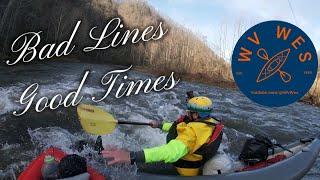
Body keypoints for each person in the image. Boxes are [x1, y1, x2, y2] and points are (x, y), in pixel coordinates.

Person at [102, 92, 224, 176]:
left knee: (131, 164)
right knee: (130, 155)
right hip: (190, 164)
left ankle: (104, 159)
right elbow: (178, 127)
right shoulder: (207, 124)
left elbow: (170, 151)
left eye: (189, 112)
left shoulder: (192, 133)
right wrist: (159, 125)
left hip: (180, 170)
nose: (186, 113)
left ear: (196, 114)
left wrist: (131, 156)